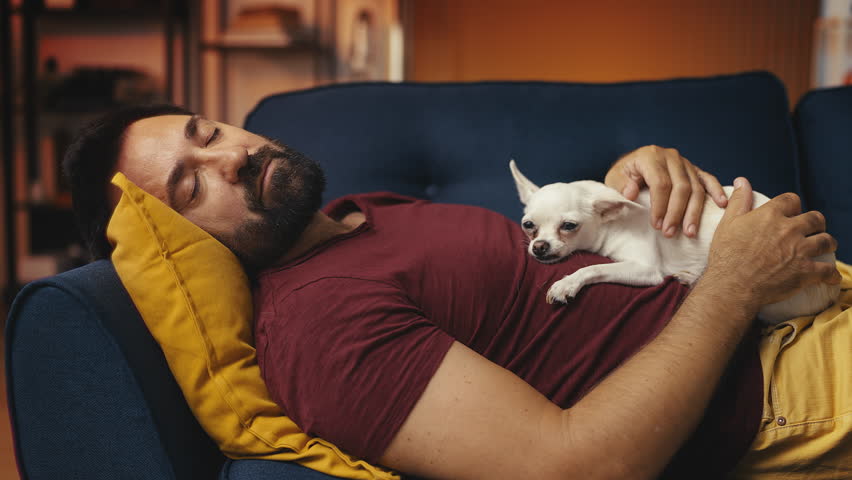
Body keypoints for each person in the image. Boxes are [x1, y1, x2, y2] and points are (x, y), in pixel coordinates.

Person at [63, 105, 848, 479]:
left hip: (780, 305)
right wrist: (735, 283)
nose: (231, 158)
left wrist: (614, 200)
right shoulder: (317, 328)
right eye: (191, 186)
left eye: (207, 134)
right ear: (179, 243)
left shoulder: (360, 218)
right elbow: (571, 469)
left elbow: (533, 289)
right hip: (777, 384)